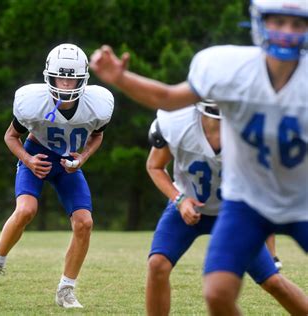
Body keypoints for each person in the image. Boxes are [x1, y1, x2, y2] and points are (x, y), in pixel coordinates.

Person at [90, 0, 307, 314]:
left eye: (297, 24)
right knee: (216, 292)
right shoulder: (228, 71)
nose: (287, 32)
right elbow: (166, 97)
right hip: (243, 204)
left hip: (297, 196)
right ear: (260, 23)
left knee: (272, 282)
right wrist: (121, 78)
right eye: (278, 22)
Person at [0, 43, 114, 308]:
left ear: (83, 79)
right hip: (36, 154)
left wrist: (83, 157)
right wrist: (27, 160)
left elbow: (98, 135)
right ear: (49, 76)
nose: (65, 85)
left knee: (85, 222)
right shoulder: (32, 102)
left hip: (68, 162)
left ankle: (66, 289)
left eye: (71, 79)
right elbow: (10, 136)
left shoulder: (98, 105)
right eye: (61, 78)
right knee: (26, 209)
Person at [145, 102, 307, 315]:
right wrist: (180, 199)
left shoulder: (256, 128)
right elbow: (155, 166)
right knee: (157, 264)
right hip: (186, 208)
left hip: (234, 215)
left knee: (272, 282)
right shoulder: (176, 123)